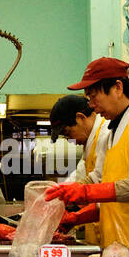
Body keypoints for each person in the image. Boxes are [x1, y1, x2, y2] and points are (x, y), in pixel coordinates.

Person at [45, 57, 129, 254]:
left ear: (118, 88)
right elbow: (104, 188)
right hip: (114, 247)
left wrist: (85, 192)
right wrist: (74, 209)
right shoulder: (111, 133)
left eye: (94, 96)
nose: (92, 106)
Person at [48, 94, 106, 241]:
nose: (70, 141)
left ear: (80, 117)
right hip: (101, 231)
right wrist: (57, 193)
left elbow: (106, 188)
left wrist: (75, 217)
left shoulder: (105, 134)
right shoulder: (90, 141)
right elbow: (81, 176)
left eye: (68, 134)